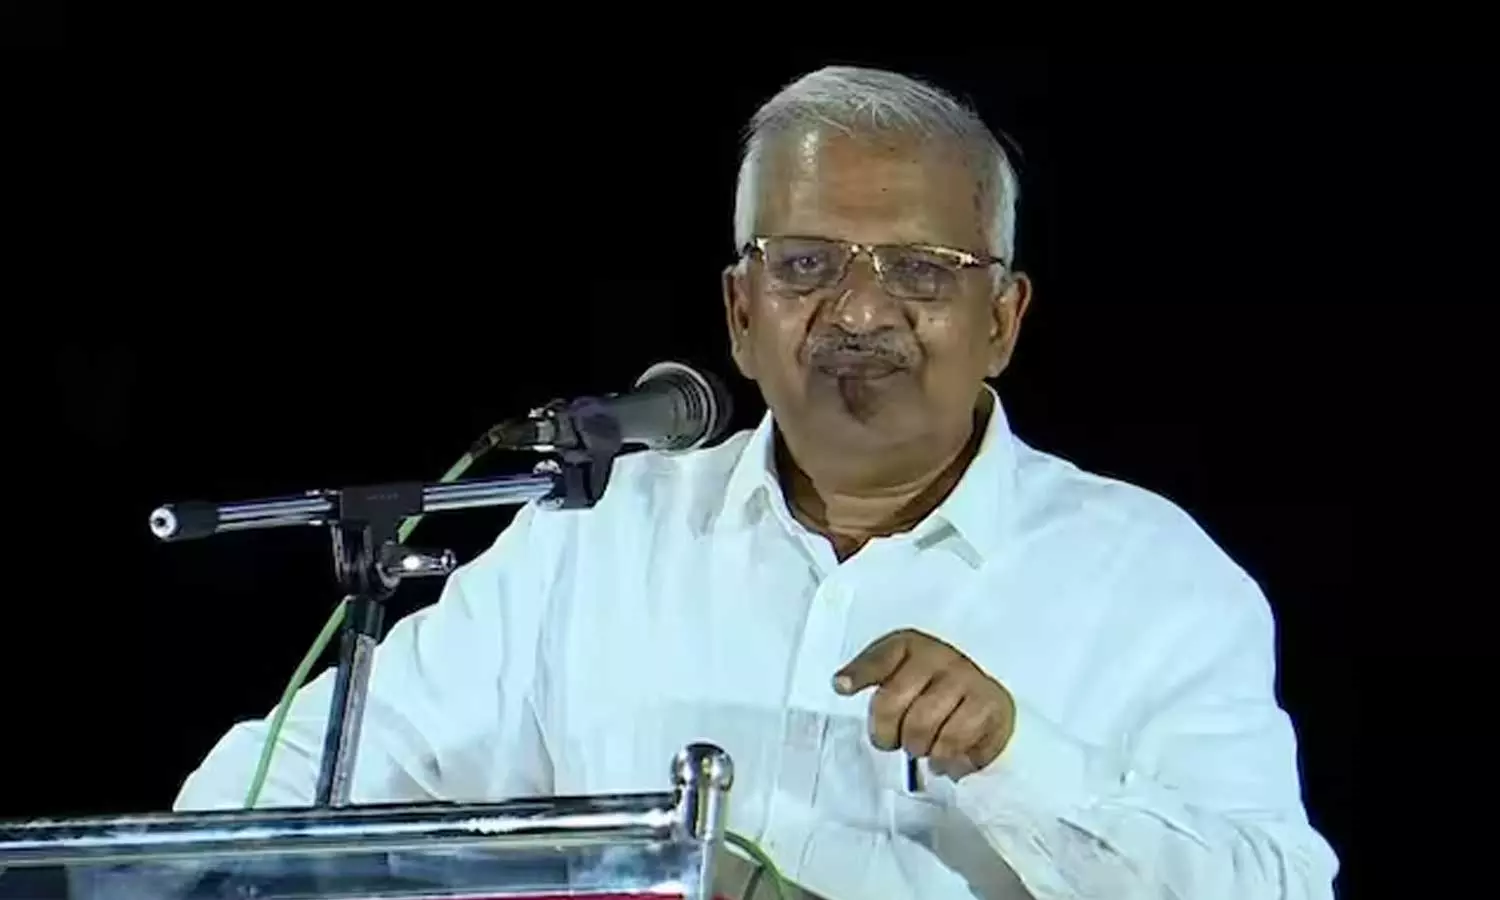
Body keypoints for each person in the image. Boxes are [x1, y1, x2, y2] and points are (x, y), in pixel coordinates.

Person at [176, 66, 1339, 899]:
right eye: (807, 263)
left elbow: (1278, 885)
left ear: (1002, 319)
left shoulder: (1151, 576)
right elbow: (254, 801)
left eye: (922, 270)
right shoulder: (595, 538)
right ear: (741, 312)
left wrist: (1011, 759)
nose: (861, 310)